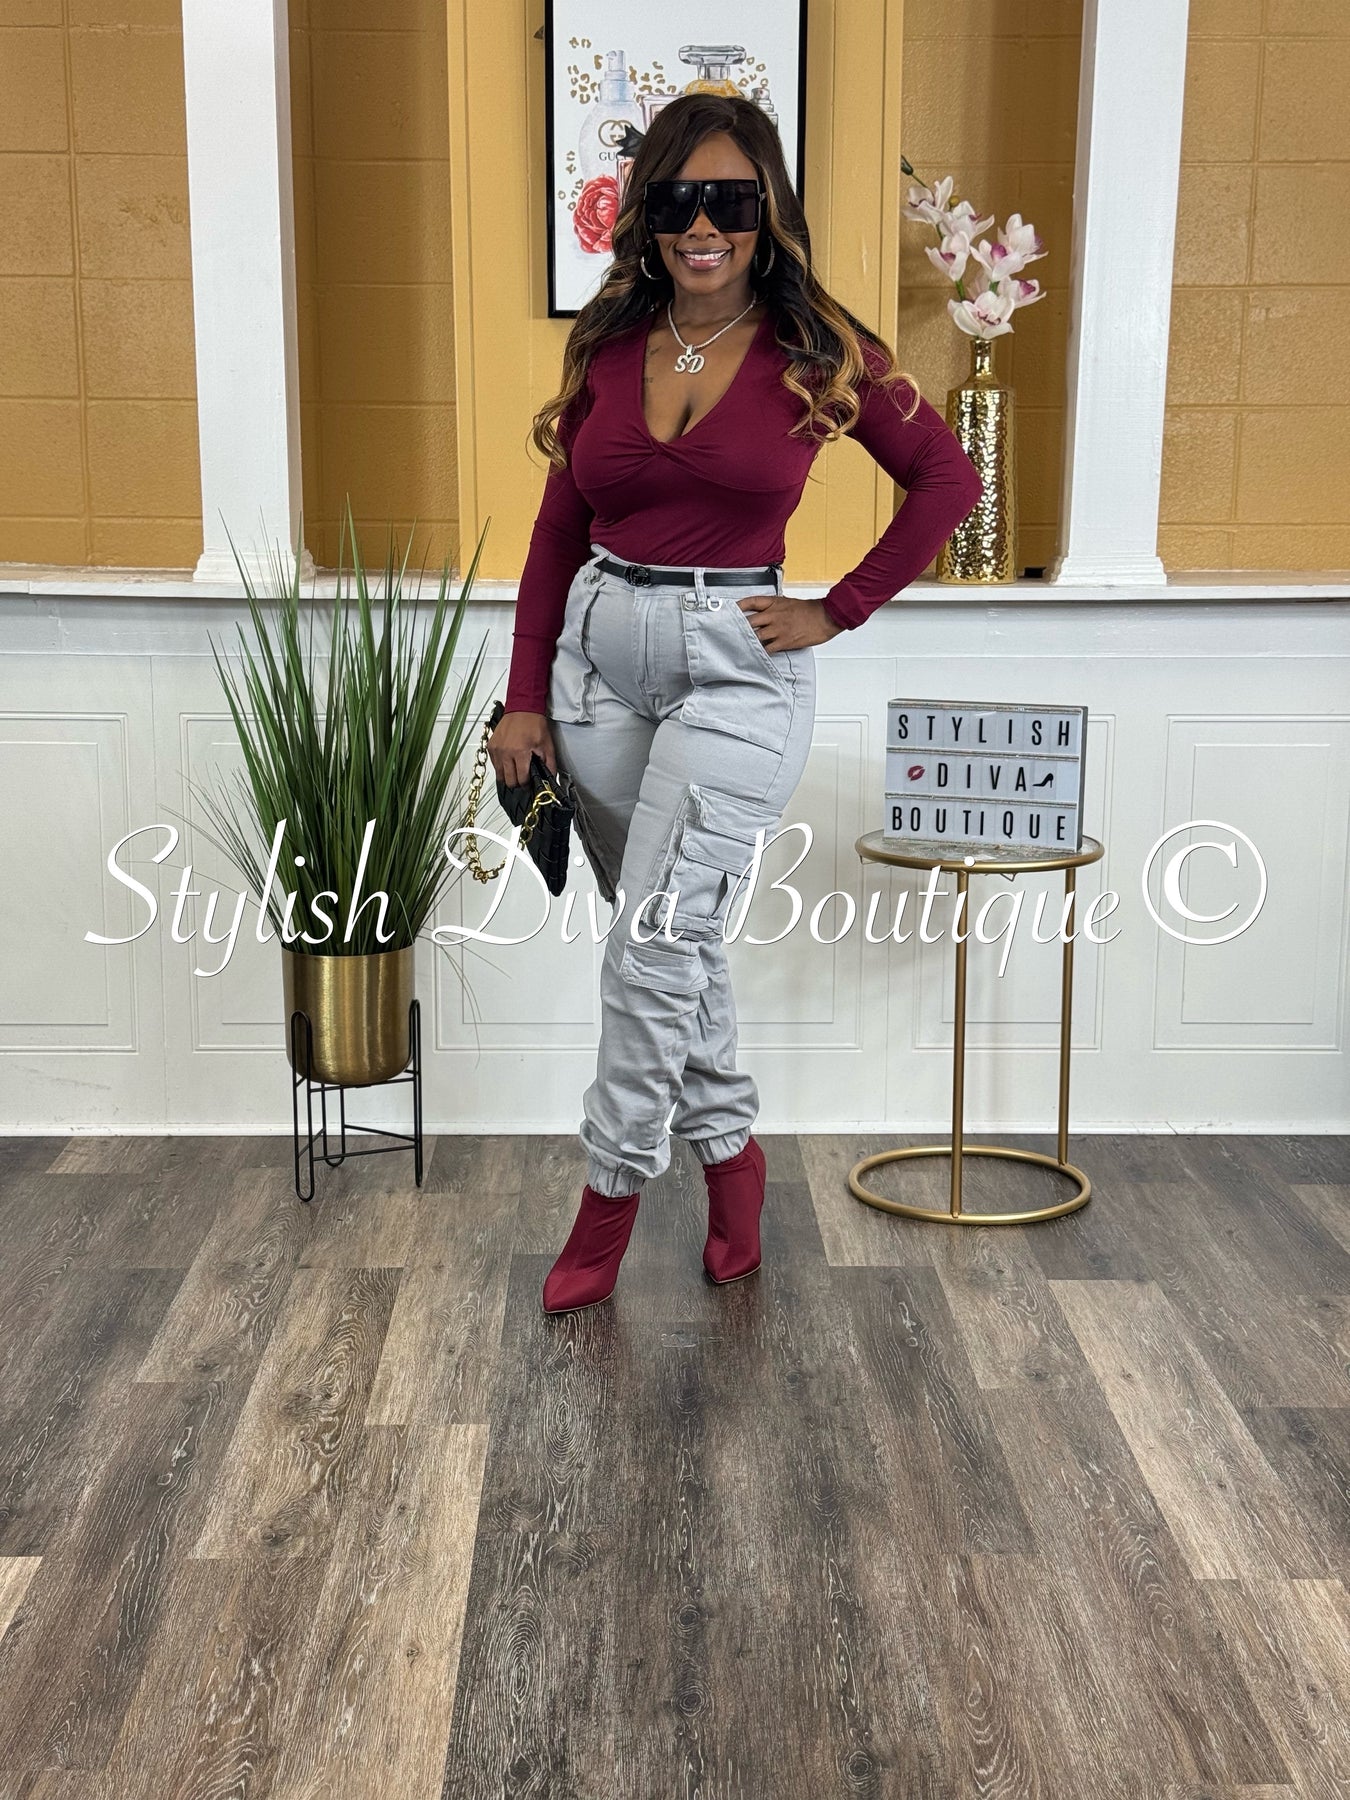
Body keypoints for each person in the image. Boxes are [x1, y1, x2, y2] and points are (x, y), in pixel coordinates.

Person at [488, 94, 983, 1315]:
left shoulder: (821, 350)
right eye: (678, 199)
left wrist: (839, 608)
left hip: (737, 665)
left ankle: (608, 1198)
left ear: (767, 214)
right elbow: (557, 531)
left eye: (730, 199)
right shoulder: (612, 345)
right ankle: (731, 1159)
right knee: (671, 937)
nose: (702, 224)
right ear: (647, 216)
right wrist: (521, 700)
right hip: (597, 666)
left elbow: (946, 478)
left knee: (653, 946)